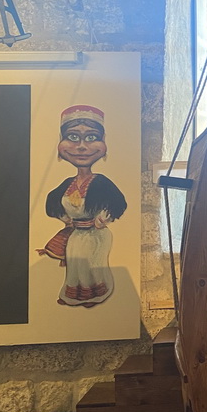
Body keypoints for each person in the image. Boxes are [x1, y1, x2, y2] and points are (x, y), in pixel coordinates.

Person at [37, 105, 126, 308]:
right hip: (77, 233)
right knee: (76, 266)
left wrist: (104, 218)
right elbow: (52, 203)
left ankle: (95, 296)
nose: (82, 147)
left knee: (93, 266)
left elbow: (117, 203)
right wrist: (65, 219)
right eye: (73, 138)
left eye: (92, 137)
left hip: (96, 234)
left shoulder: (102, 182)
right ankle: (75, 295)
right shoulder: (66, 184)